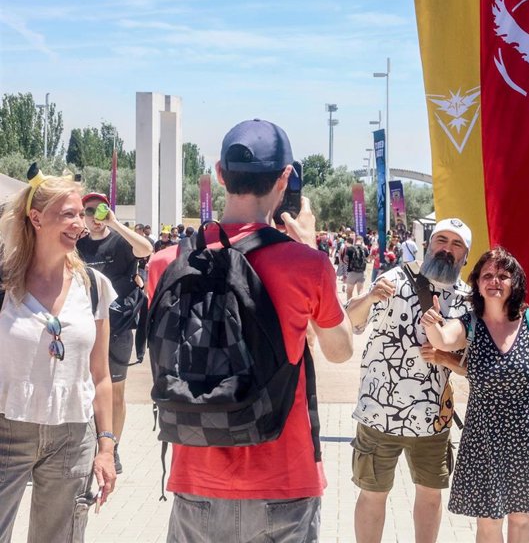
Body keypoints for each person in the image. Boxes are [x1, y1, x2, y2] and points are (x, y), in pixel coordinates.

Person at [147, 118, 354, 543]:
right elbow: (340, 350)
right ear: (285, 178)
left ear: (220, 174)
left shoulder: (165, 263)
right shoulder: (306, 265)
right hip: (285, 479)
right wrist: (311, 249)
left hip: (195, 477)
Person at [421, 246, 529, 543]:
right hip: (485, 438)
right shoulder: (470, 324)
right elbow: (444, 339)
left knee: (521, 517)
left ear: (514, 283)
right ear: (477, 283)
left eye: (503, 275)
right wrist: (433, 325)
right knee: (489, 521)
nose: (495, 281)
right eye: (488, 275)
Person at [0, 166, 118, 541]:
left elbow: (100, 375)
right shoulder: (4, 283)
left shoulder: (94, 286)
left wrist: (106, 447)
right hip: (6, 428)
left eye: (80, 214)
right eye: (68, 213)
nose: (79, 223)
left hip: (72, 434)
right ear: (35, 217)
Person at [345, 218, 473, 543]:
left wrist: (444, 353)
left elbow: (466, 358)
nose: (447, 248)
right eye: (442, 240)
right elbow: (353, 321)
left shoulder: (466, 299)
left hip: (432, 420)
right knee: (373, 494)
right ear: (429, 244)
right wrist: (371, 297)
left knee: (430, 495)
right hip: (379, 413)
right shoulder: (394, 278)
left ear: (466, 256)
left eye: (456, 244)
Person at [78, 192, 154, 475]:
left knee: (117, 391)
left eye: (101, 210)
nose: (95, 216)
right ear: (83, 213)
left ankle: (114, 446)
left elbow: (146, 250)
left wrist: (115, 223)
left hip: (118, 326)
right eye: (90, 211)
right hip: (86, 326)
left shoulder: (121, 242)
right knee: (86, 388)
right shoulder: (79, 245)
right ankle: (90, 444)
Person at [345, 235, 370, 300]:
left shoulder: (350, 248)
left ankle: (349, 306)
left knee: (349, 292)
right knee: (360, 292)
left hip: (352, 272)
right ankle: (360, 307)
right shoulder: (364, 249)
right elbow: (367, 259)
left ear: (355, 240)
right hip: (361, 272)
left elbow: (345, 259)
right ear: (362, 241)